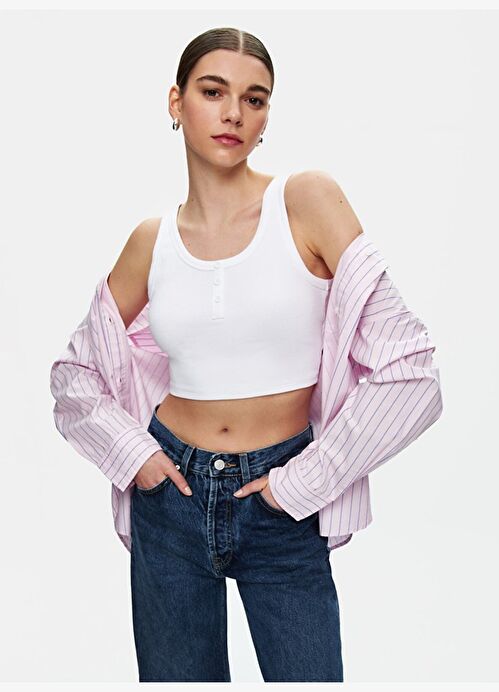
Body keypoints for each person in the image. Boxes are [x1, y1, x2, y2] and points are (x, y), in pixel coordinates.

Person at [50, 26, 443, 683]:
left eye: (254, 99)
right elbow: (74, 375)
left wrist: (302, 482)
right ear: (175, 103)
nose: (233, 112)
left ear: (265, 116)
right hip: (170, 496)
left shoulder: (305, 201)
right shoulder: (152, 241)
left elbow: (412, 373)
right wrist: (135, 456)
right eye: (213, 92)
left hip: (280, 497)